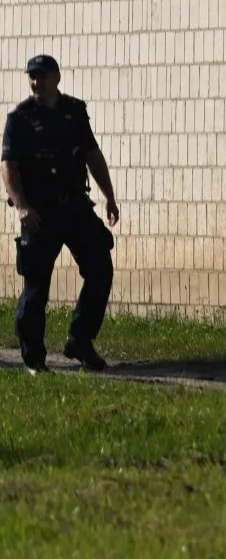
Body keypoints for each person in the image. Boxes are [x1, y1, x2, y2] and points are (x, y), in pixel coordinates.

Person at [2, 55, 119, 372]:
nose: (35, 82)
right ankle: (34, 359)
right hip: (39, 212)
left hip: (75, 206)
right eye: (32, 77)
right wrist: (22, 206)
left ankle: (80, 339)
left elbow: (93, 156)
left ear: (56, 78)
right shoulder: (20, 119)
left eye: (41, 76)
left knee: (100, 266)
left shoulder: (74, 112)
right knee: (36, 286)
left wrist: (109, 197)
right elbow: (8, 167)